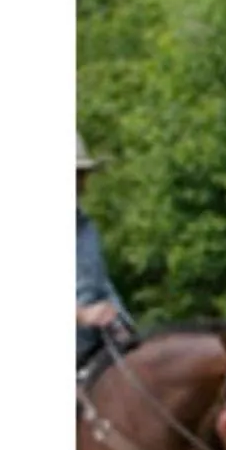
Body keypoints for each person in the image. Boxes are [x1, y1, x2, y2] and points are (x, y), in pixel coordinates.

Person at [76, 133, 134, 370]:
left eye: (81, 176)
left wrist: (124, 324)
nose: (82, 185)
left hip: (92, 350)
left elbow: (101, 286)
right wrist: (81, 315)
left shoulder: (86, 228)